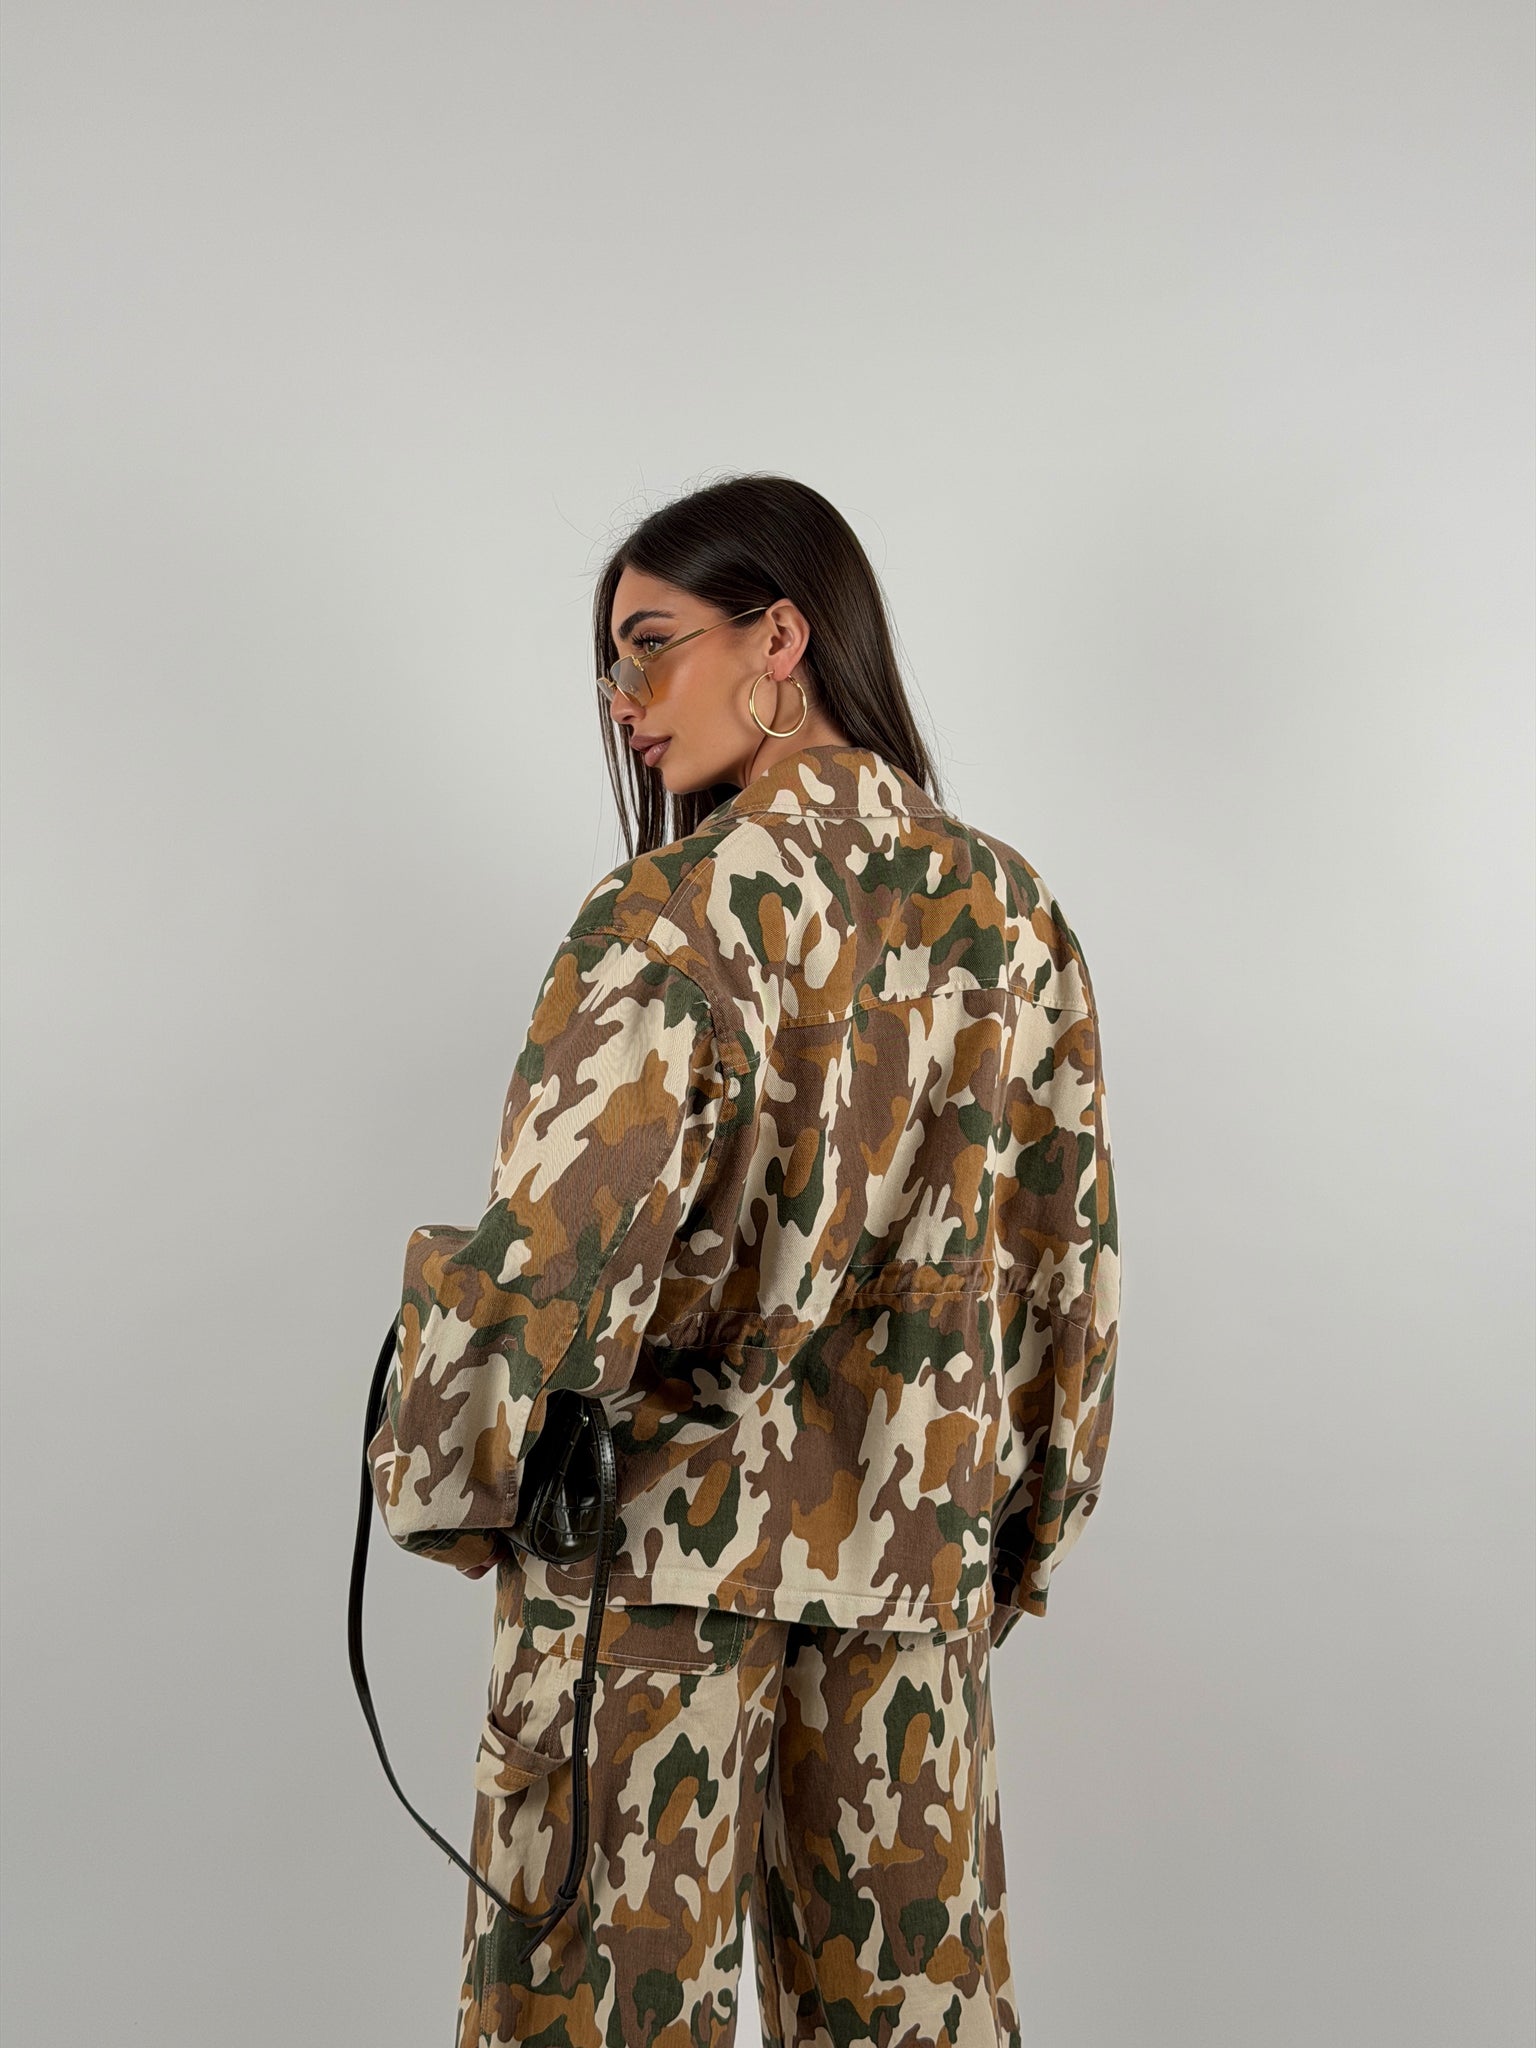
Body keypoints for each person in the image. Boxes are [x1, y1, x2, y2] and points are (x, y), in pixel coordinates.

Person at [366, 472, 1121, 2048]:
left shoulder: (675, 913)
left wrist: (444, 1477)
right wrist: (1013, 1532)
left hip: (647, 1567)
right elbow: (1065, 1275)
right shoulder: (1015, 917)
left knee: (589, 2020)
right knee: (915, 2024)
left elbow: (557, 1271)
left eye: (651, 645)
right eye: (611, 663)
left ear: (780, 637)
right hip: (910, 1570)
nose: (623, 697)